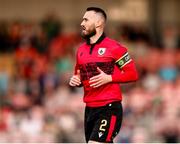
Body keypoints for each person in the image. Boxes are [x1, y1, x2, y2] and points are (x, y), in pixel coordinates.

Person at [69, 7, 138, 143]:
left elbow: (133, 74)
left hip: (109, 108)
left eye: (86, 20)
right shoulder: (80, 50)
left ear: (99, 23)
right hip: (89, 109)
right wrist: (77, 80)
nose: (82, 23)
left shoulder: (115, 48)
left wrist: (109, 78)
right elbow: (80, 75)